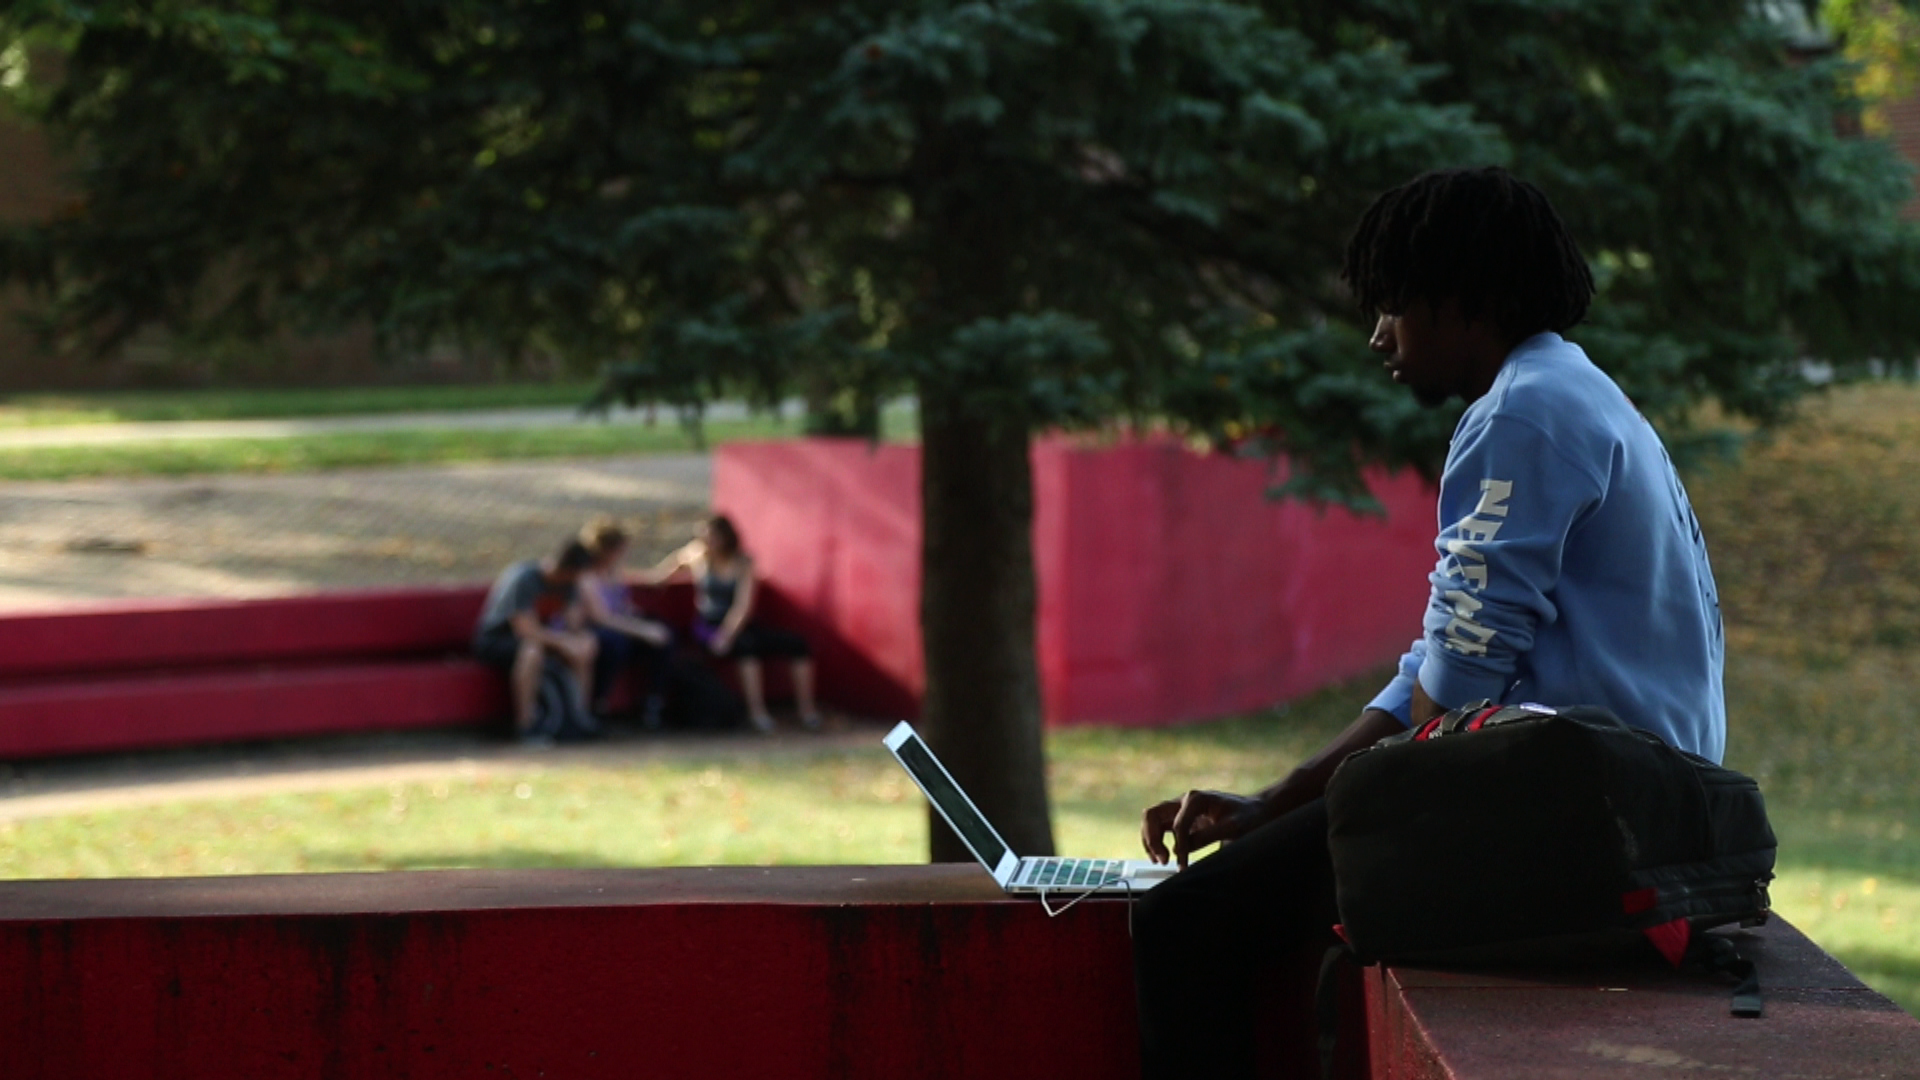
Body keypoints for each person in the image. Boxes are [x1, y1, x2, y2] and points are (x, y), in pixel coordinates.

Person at [1130, 167, 1727, 1079]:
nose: (1378, 334)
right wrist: (1278, 801)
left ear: (1466, 299)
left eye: (1394, 303)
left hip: (1582, 819)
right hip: (1620, 801)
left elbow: (1455, 684)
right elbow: (1447, 660)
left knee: (1182, 920)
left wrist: (1284, 805)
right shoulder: (1575, 391)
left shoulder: (1525, 411)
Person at [642, 514, 822, 733]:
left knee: (797, 644)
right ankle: (757, 713)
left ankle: (807, 711)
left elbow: (742, 607)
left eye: (713, 537)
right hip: (707, 627)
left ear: (726, 537)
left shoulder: (742, 562)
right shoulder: (698, 555)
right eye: (704, 538)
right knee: (747, 649)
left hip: (736, 626)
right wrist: (660, 577)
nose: (708, 542)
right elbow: (673, 564)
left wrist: (727, 635)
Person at [472, 538, 600, 742]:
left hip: (541, 639)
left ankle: (578, 719)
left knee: (584, 645)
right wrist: (563, 642)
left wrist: (578, 639)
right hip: (497, 641)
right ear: (566, 570)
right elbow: (525, 630)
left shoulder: (570, 584)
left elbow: (573, 624)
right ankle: (526, 725)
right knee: (532, 651)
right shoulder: (525, 578)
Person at [573, 516, 675, 728]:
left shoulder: (613, 572)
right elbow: (602, 618)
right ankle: (598, 705)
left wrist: (645, 624)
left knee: (664, 633)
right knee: (615, 643)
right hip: (598, 632)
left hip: (622, 625)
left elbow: (623, 606)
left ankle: (653, 702)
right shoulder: (586, 577)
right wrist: (643, 631)